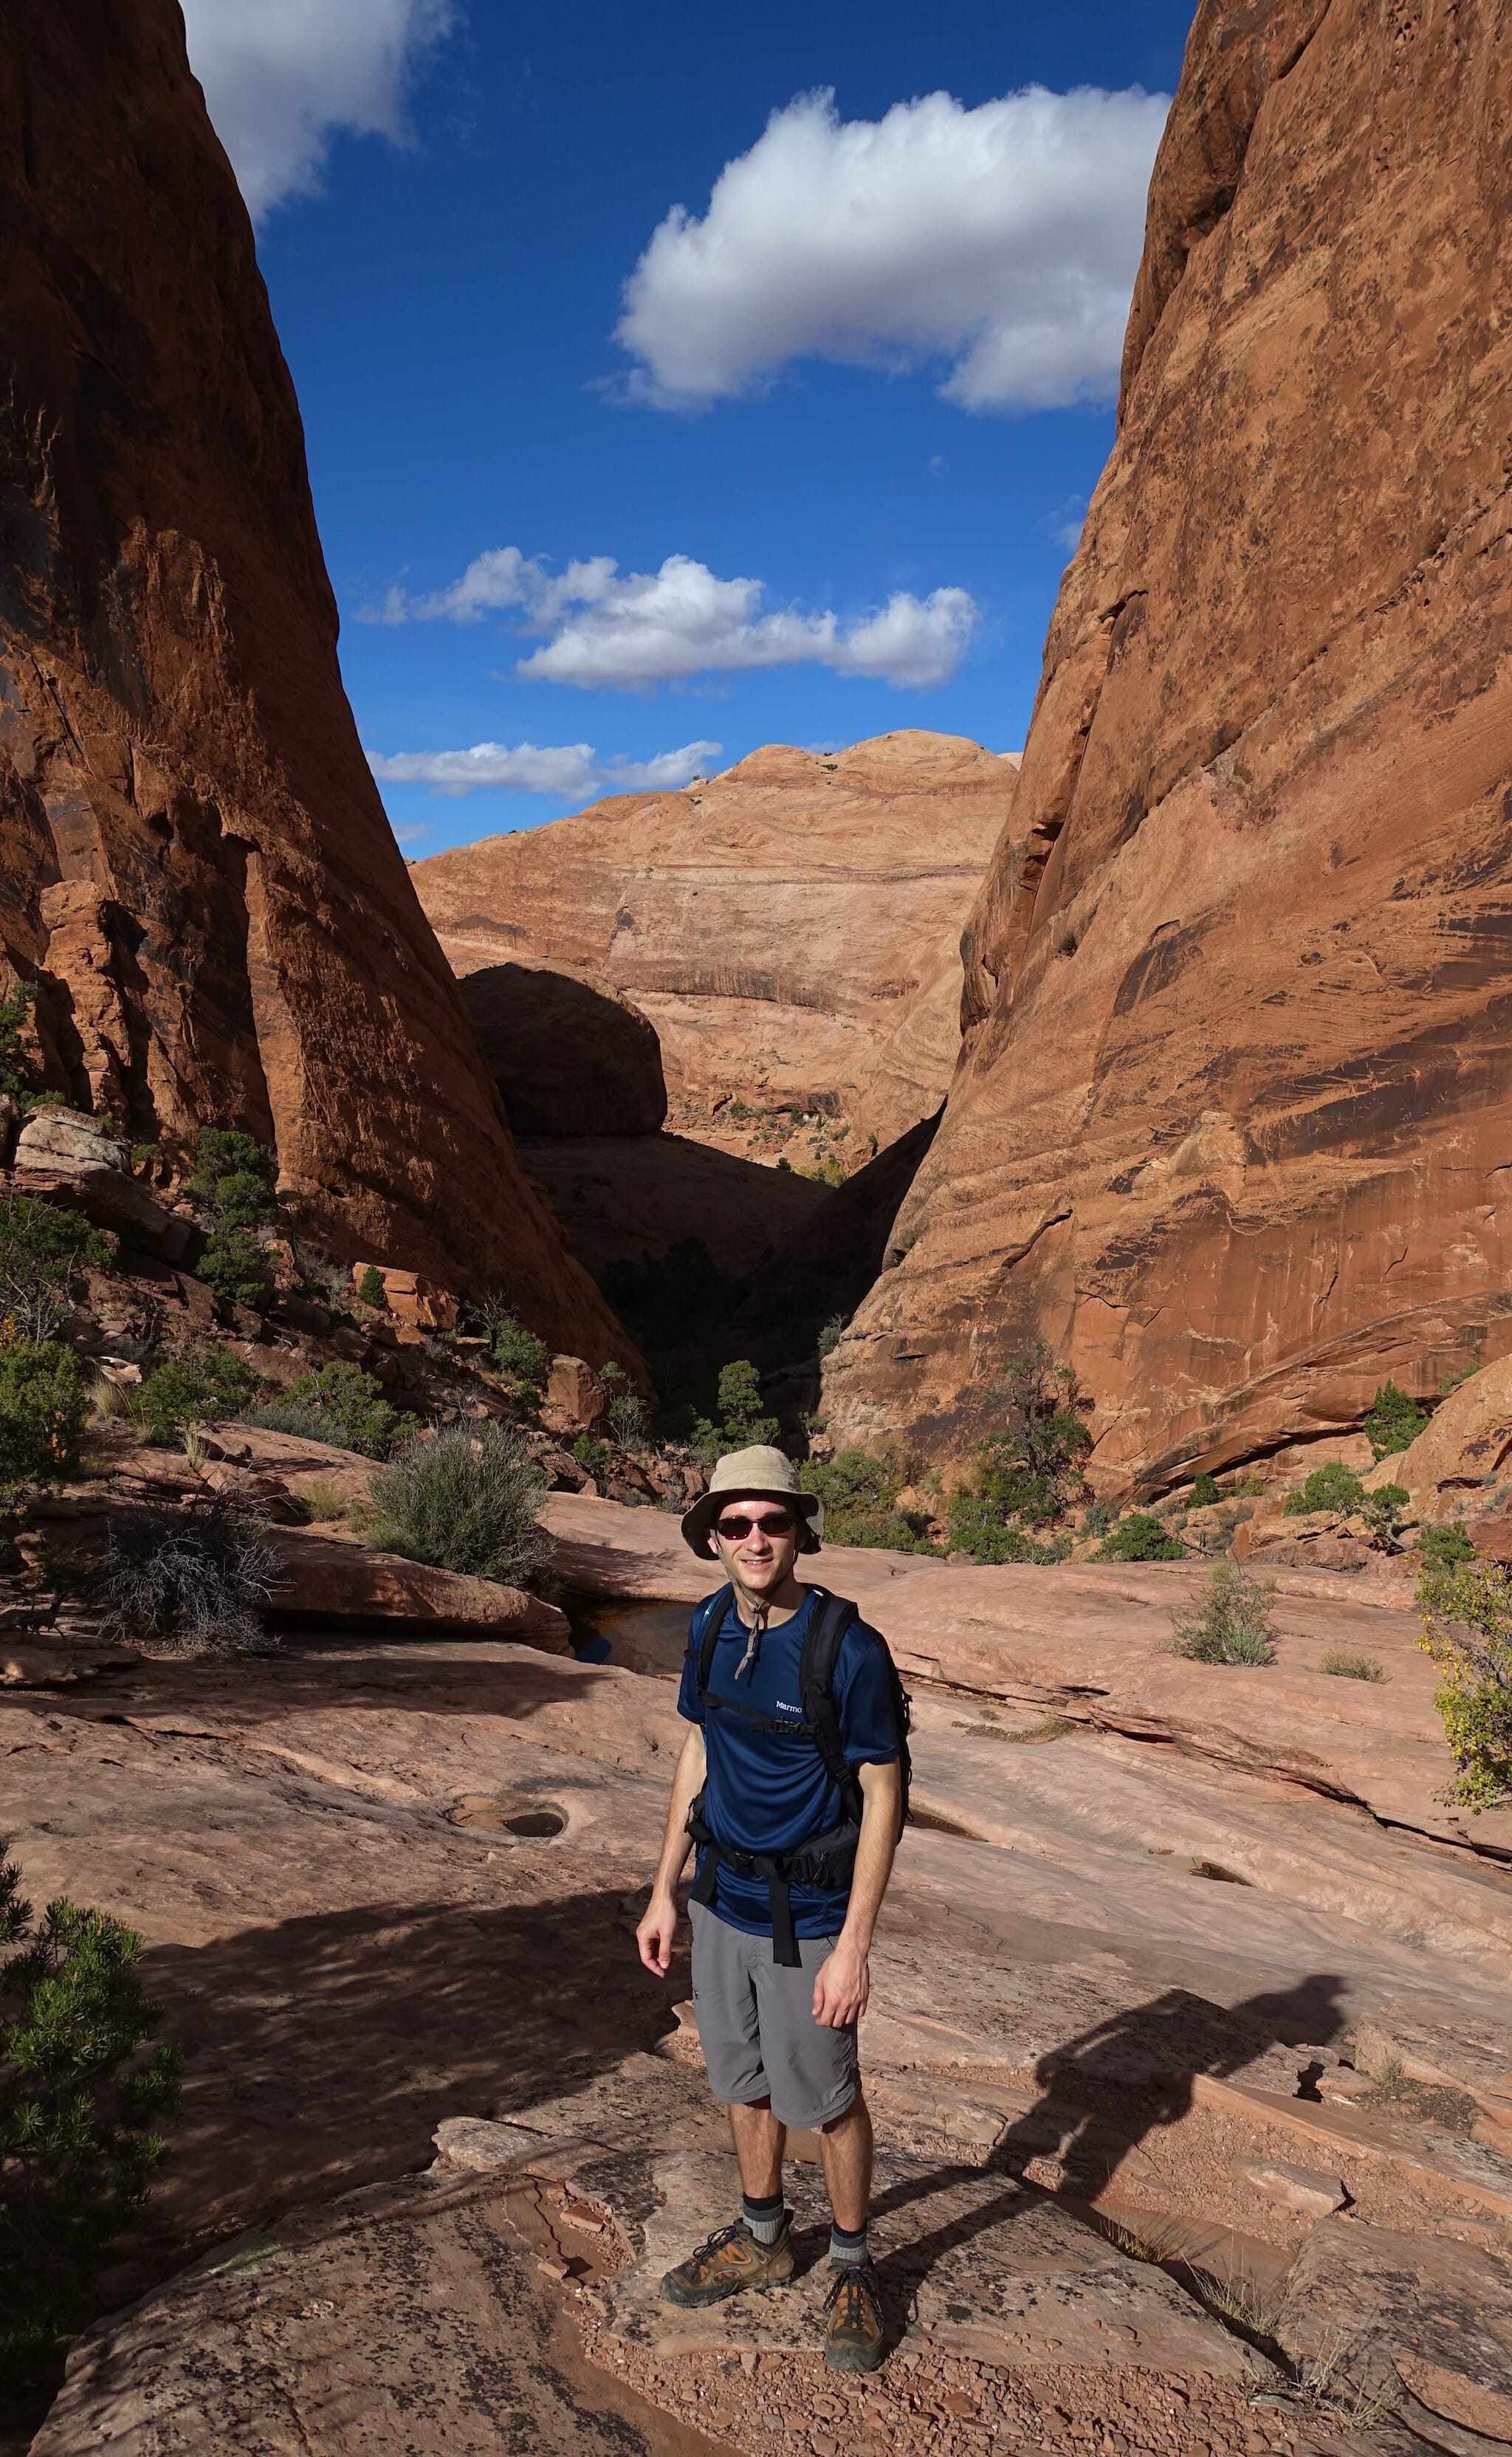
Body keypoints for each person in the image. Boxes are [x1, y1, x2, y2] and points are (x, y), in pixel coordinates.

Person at [635, 1443, 904, 2373]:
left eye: (772, 1521)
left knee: (825, 2096)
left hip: (810, 1912)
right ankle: (762, 2238)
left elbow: (882, 1792)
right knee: (741, 2080)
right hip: (721, 1899)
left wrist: (854, 1945)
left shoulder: (847, 1648)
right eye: (735, 1523)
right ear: (711, 1536)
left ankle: (852, 2264)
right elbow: (699, 1751)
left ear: (799, 1532)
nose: (754, 1539)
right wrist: (664, 1888)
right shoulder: (709, 1623)